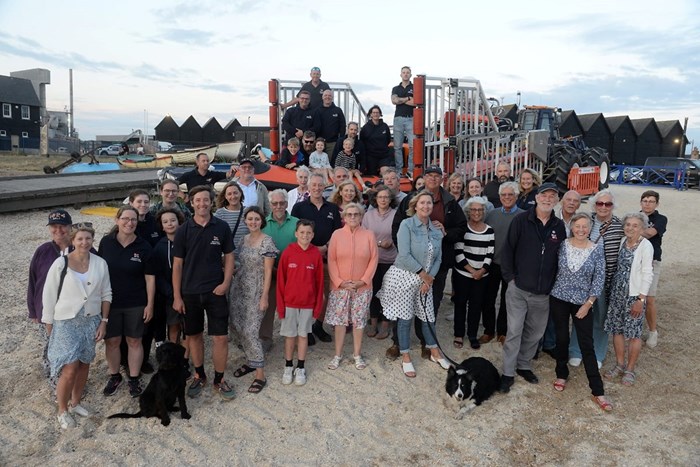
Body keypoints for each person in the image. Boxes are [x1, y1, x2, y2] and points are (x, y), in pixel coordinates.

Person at [388, 165, 467, 360]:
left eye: (436, 176)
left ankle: (425, 341)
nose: (433, 178)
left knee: (429, 305)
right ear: (423, 177)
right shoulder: (410, 199)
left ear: (442, 178)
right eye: (429, 175)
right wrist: (406, 257)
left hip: (436, 266)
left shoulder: (450, 202)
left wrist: (446, 232)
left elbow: (462, 228)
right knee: (402, 305)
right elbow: (397, 226)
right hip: (410, 267)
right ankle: (398, 343)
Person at [42, 223, 112, 429]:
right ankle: (62, 410)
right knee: (69, 368)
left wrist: (104, 322)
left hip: (91, 319)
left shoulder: (100, 263)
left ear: (92, 240)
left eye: (88, 239)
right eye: (80, 239)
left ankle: (76, 402)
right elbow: (49, 295)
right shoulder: (60, 264)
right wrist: (49, 323)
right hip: (65, 321)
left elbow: (107, 293)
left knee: (84, 363)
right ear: (73, 241)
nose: (84, 242)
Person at [499, 183, 566, 393]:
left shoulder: (559, 226)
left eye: (552, 196)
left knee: (535, 333)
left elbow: (561, 258)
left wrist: (553, 285)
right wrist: (510, 279)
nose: (547, 199)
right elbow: (507, 250)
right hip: (518, 289)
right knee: (514, 331)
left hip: (543, 293)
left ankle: (524, 365)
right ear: (537, 198)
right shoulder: (521, 220)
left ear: (556, 201)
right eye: (544, 195)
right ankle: (508, 372)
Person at [172, 185, 236, 400]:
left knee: (221, 338)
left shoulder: (221, 227)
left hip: (215, 291)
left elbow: (229, 257)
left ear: (212, 202)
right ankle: (200, 374)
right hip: (190, 293)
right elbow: (178, 265)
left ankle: (219, 379)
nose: (202, 204)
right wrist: (177, 296)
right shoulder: (183, 230)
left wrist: (226, 282)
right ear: (191, 202)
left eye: (205, 200)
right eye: (197, 200)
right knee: (194, 335)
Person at [378, 191, 450, 377]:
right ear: (415, 206)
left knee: (428, 317)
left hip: (426, 280)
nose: (426, 206)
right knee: (405, 319)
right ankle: (405, 355)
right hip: (405, 277)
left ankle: (434, 351)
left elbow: (439, 257)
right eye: (422, 203)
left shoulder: (436, 230)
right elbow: (404, 254)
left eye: (429, 203)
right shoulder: (406, 224)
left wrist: (429, 278)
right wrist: (423, 275)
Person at [549, 213, 611, 411]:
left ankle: (597, 390)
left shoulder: (596, 249)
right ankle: (561, 372)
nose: (581, 230)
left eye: (585, 226)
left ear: (589, 228)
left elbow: (599, 278)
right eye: (578, 226)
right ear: (572, 227)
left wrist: (589, 303)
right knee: (561, 338)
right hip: (559, 297)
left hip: (582, 302)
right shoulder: (562, 245)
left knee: (586, 343)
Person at [99, 205, 154, 398]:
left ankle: (133, 377)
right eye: (125, 219)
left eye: (133, 220)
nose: (129, 223)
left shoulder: (144, 246)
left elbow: (150, 278)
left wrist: (150, 304)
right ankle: (115, 376)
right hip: (111, 302)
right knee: (112, 341)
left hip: (136, 302)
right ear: (117, 220)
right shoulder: (106, 242)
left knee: (134, 340)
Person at [568, 189, 624, 368]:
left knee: (601, 319)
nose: (603, 207)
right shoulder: (586, 220)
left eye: (608, 204)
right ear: (594, 205)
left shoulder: (619, 225)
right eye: (600, 203)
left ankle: (598, 353)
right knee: (580, 315)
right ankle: (576, 350)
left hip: (606, 280)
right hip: (583, 280)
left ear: (613, 206)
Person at [229, 206, 278, 394]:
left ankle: (260, 374)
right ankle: (251, 360)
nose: (253, 222)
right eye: (250, 219)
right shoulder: (243, 240)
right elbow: (239, 263)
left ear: (261, 221)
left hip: (257, 290)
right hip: (239, 288)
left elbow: (267, 272)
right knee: (237, 326)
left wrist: (265, 296)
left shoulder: (267, 242)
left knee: (251, 331)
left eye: (256, 219)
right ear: (245, 221)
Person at [325, 203, 378, 371]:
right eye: (349, 214)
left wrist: (363, 280)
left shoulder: (369, 235)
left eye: (356, 214)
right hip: (340, 287)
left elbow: (374, 259)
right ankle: (337, 355)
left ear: (361, 216)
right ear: (344, 217)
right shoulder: (336, 234)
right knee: (340, 322)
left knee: (359, 321)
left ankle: (357, 354)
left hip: (362, 287)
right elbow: (331, 259)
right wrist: (340, 281)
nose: (353, 217)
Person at [603, 212, 653, 387]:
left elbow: (648, 274)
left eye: (635, 225)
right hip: (618, 292)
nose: (630, 228)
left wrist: (641, 299)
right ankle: (619, 364)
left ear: (642, 228)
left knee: (633, 333)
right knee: (617, 330)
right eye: (628, 225)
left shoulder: (645, 246)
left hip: (634, 295)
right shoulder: (624, 242)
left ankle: (630, 369)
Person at [290, 173, 341, 344]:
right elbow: (295, 233)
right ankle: (306, 328)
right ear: (309, 187)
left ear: (324, 187)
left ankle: (318, 325)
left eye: (320, 185)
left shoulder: (332, 208)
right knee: (306, 294)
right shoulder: (299, 208)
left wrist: (325, 247)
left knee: (325, 294)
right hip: (306, 258)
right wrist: (312, 249)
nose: (317, 188)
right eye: (314, 185)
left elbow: (337, 233)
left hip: (327, 257)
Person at [28, 209, 73, 391]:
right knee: (51, 346)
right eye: (54, 226)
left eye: (62, 226)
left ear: (70, 227)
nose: (58, 230)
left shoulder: (81, 246)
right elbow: (32, 280)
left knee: (69, 348)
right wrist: (33, 310)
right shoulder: (43, 250)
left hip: (71, 311)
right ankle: (55, 383)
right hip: (46, 310)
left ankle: (69, 380)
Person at [276, 219, 324, 385]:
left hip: (308, 305)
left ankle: (301, 367)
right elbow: (281, 282)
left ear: (313, 235)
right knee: (290, 337)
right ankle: (288, 365)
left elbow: (319, 284)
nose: (305, 235)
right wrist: (281, 308)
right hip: (289, 303)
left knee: (303, 336)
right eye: (302, 232)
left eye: (308, 233)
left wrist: (317, 309)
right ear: (296, 233)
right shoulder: (288, 253)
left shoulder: (315, 254)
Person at [453, 197, 495, 350]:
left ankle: (472, 335)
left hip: (482, 276)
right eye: (474, 209)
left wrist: (482, 271)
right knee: (460, 304)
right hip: (463, 274)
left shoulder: (489, 230)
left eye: (480, 210)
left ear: (484, 212)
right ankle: (458, 333)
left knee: (476, 306)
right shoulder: (463, 228)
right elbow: (458, 252)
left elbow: (490, 253)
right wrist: (471, 271)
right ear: (468, 211)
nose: (477, 212)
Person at [146, 208, 188, 361]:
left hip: (189, 291)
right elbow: (157, 275)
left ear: (179, 222)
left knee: (189, 328)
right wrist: (171, 293)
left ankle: (186, 357)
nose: (170, 224)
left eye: (172, 220)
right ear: (162, 226)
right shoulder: (159, 247)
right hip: (169, 295)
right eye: (165, 222)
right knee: (174, 325)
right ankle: (174, 355)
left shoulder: (187, 241)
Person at [482, 182, 521, 344]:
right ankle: (489, 330)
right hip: (492, 263)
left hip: (512, 266)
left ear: (516, 196)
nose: (506, 198)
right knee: (488, 299)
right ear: (499, 197)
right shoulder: (492, 214)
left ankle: (503, 331)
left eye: (510, 195)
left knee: (508, 300)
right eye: (503, 195)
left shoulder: (523, 216)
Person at [261, 190, 299, 350]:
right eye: (275, 203)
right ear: (270, 205)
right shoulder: (263, 224)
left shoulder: (296, 222)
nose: (278, 206)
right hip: (270, 273)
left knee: (292, 307)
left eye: (282, 203)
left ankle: (293, 338)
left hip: (292, 274)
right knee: (267, 307)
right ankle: (265, 338)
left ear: (286, 203)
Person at [362, 185, 398, 340]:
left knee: (388, 291)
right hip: (372, 259)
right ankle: (373, 320)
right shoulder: (368, 215)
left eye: (386, 197)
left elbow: (399, 236)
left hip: (391, 259)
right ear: (375, 199)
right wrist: (378, 243)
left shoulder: (397, 215)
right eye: (380, 197)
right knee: (373, 290)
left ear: (391, 199)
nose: (383, 199)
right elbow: (363, 236)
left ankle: (385, 322)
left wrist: (391, 242)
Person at [639, 190, 667, 348]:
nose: (647, 204)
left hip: (652, 261)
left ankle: (652, 331)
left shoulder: (661, 219)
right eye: (645, 200)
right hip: (635, 260)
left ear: (657, 204)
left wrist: (633, 231)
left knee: (649, 299)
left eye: (651, 201)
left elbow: (650, 233)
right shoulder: (635, 216)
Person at [391, 66, 415, 178]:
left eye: (407, 72)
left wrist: (401, 100)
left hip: (411, 118)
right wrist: (407, 98)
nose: (405, 74)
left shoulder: (415, 87)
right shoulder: (396, 88)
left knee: (413, 146)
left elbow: (416, 103)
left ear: (410, 74)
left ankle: (410, 170)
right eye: (403, 72)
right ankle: (399, 170)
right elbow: (394, 101)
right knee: (397, 146)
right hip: (398, 119)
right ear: (400, 74)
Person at [214, 180, 250, 251]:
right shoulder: (220, 214)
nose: (233, 196)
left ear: (240, 193)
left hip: (245, 258)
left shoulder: (248, 212)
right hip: (226, 258)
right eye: (229, 194)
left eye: (235, 193)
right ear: (225, 196)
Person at [360, 105, 394, 176]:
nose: (375, 114)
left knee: (385, 173)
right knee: (372, 174)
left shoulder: (385, 126)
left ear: (380, 114)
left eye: (377, 112)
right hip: (371, 156)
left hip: (383, 155)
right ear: (371, 114)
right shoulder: (365, 128)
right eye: (374, 112)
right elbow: (362, 142)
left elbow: (388, 139)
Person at [317, 90, 346, 157]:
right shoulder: (317, 110)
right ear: (322, 97)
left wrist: (341, 139)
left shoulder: (338, 110)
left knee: (330, 164)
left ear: (332, 97)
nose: (327, 97)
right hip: (319, 142)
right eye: (325, 95)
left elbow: (342, 125)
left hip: (333, 143)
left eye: (329, 95)